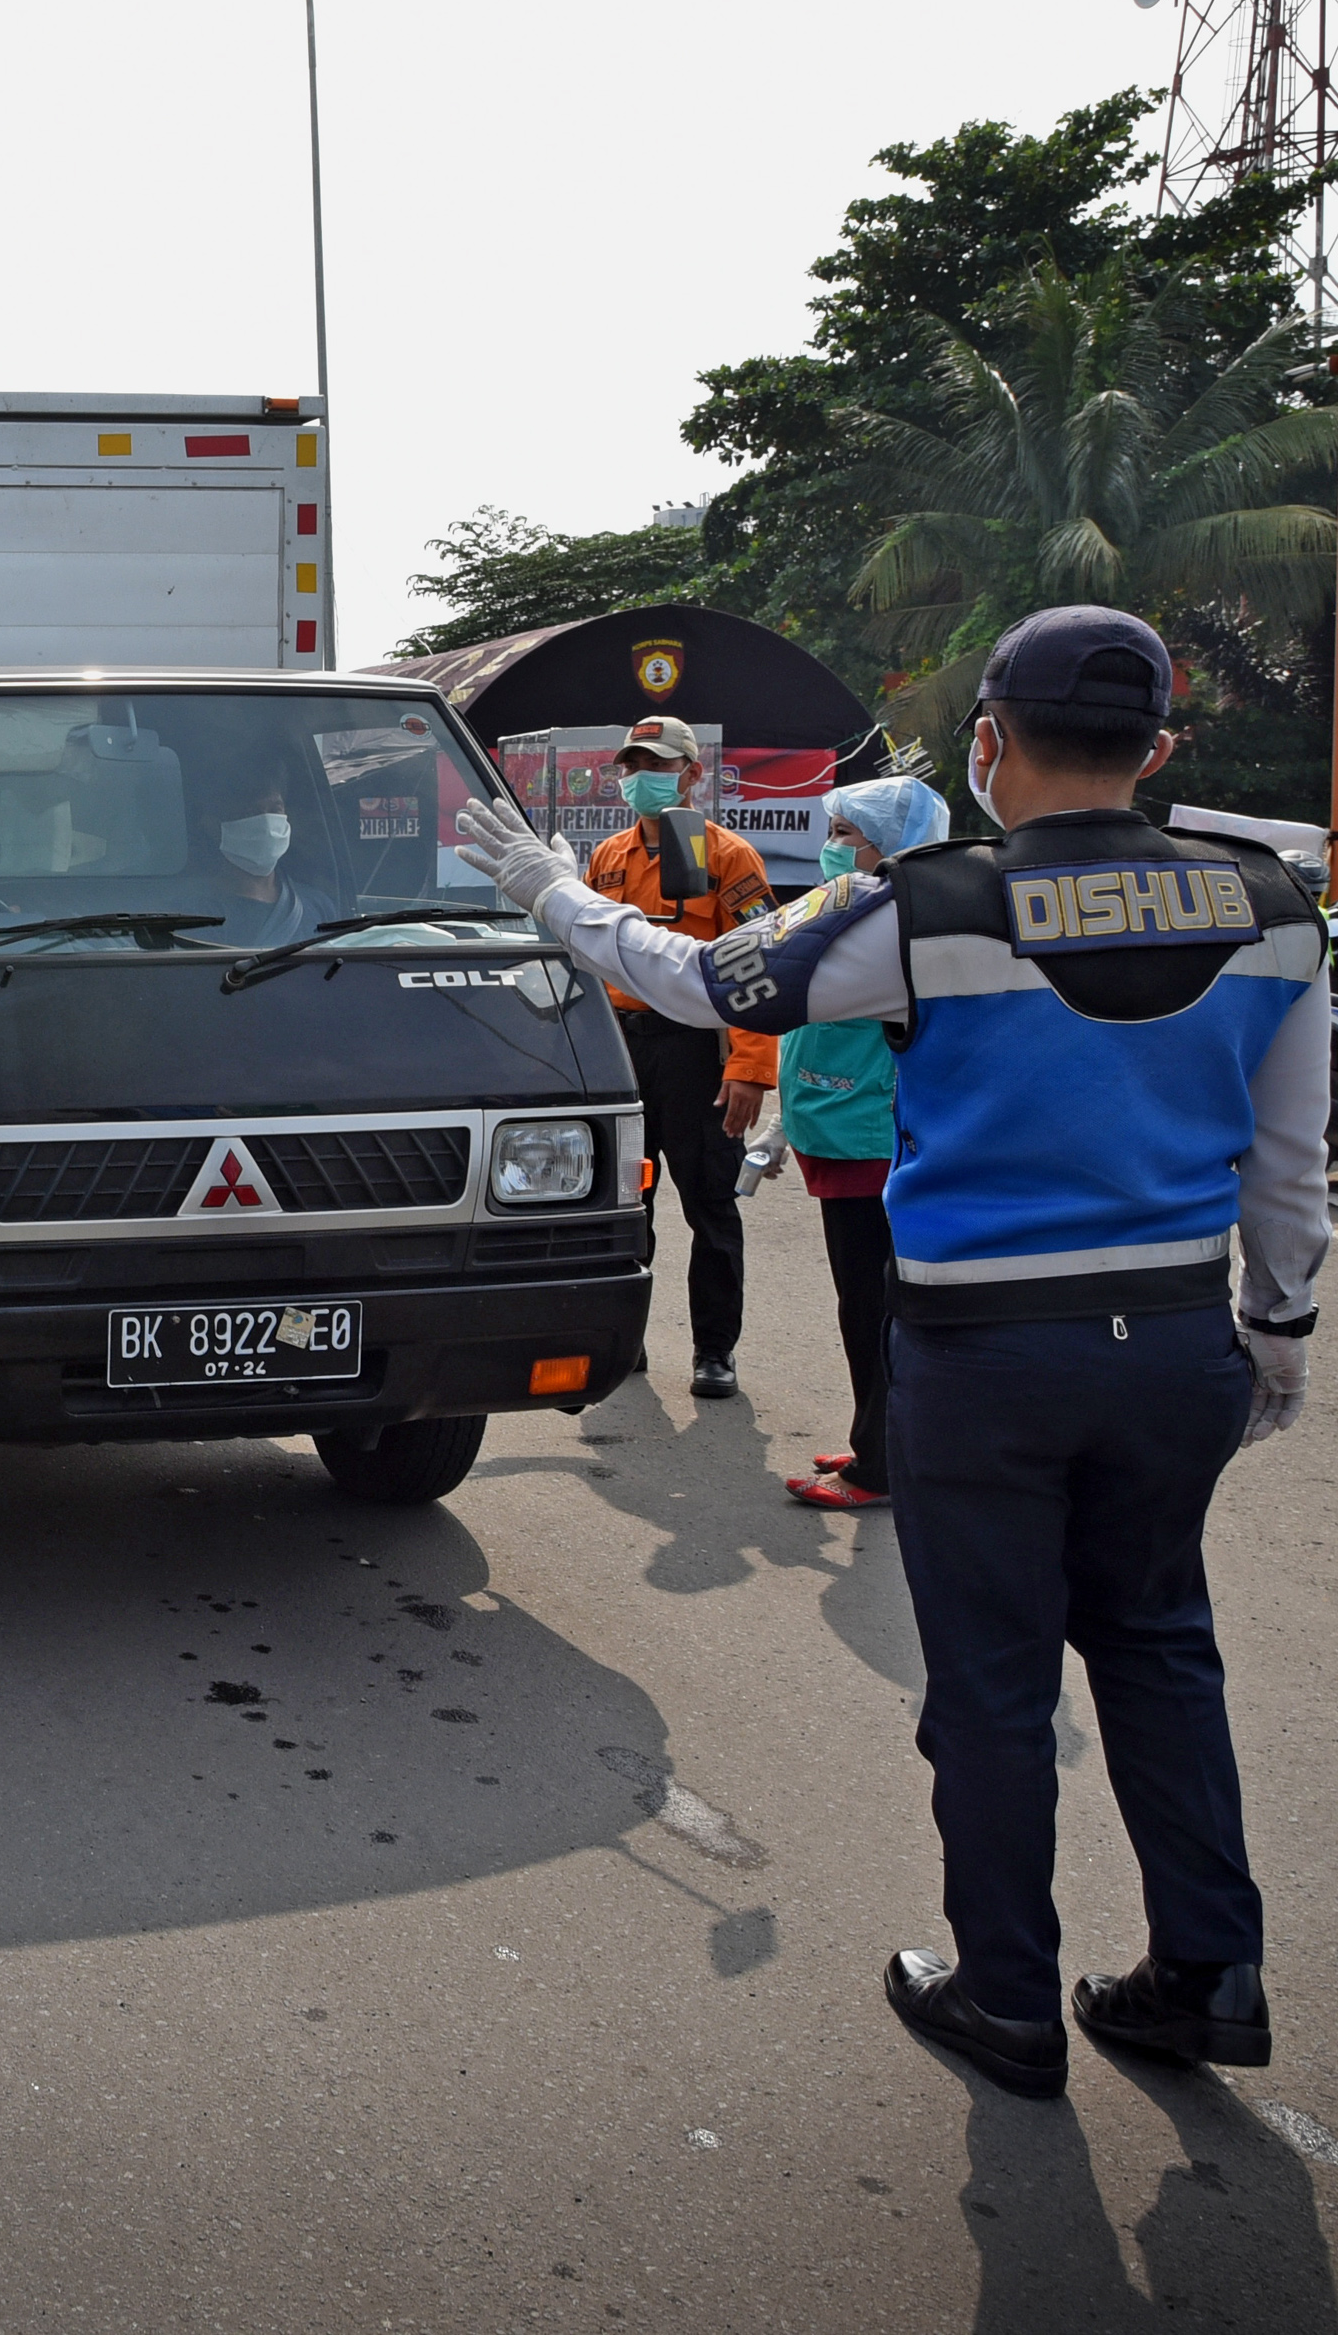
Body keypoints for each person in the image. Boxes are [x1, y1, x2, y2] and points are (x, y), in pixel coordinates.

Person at [453, 605, 1325, 2103]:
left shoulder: (928, 905)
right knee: (1160, 1645)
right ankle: (1210, 1973)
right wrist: (1280, 1327)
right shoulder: (1272, 905)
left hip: (991, 1357)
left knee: (990, 1679)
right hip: (1176, 1341)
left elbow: (702, 984)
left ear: (988, 743)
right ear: (1160, 747)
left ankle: (1008, 1998)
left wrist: (550, 888)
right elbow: (1292, 1162)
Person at [579, 717, 778, 1399]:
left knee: (711, 1206)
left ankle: (714, 1350)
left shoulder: (727, 857)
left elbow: (759, 968)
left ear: (693, 774)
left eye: (658, 765)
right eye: (632, 765)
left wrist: (749, 1070)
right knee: (620, 1205)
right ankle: (621, 1339)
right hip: (620, 1050)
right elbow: (585, 961)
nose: (642, 777)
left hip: (697, 1051)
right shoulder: (608, 856)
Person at [776, 774, 953, 1511]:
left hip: (868, 1137)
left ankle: (879, 1464)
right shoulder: (857, 909)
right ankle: (880, 1438)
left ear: (891, 844)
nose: (831, 847)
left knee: (872, 1305)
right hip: (836, 1128)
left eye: (846, 835)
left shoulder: (891, 924)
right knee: (865, 1299)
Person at [197, 745, 337, 946]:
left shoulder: (318, 906)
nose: (266, 823)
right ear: (212, 826)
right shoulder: (194, 916)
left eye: (274, 809)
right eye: (251, 813)